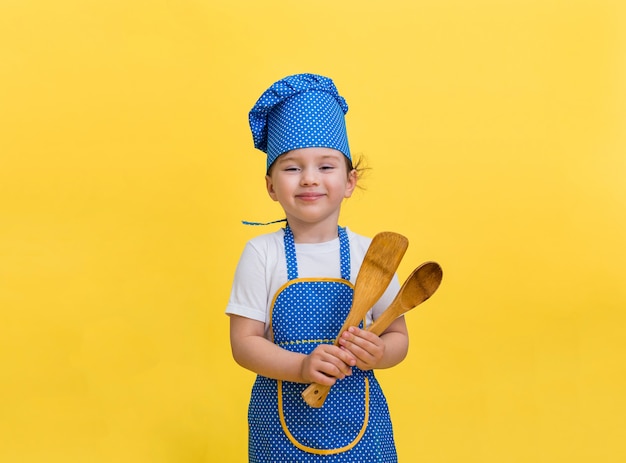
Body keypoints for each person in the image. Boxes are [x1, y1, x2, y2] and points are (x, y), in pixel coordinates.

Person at [226, 73, 409, 462]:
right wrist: (302, 366)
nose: (309, 178)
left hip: (362, 428)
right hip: (279, 429)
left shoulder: (371, 255)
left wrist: (379, 353)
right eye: (292, 168)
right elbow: (244, 344)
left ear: (349, 181)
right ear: (271, 186)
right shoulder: (261, 254)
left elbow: (397, 336)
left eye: (326, 167)